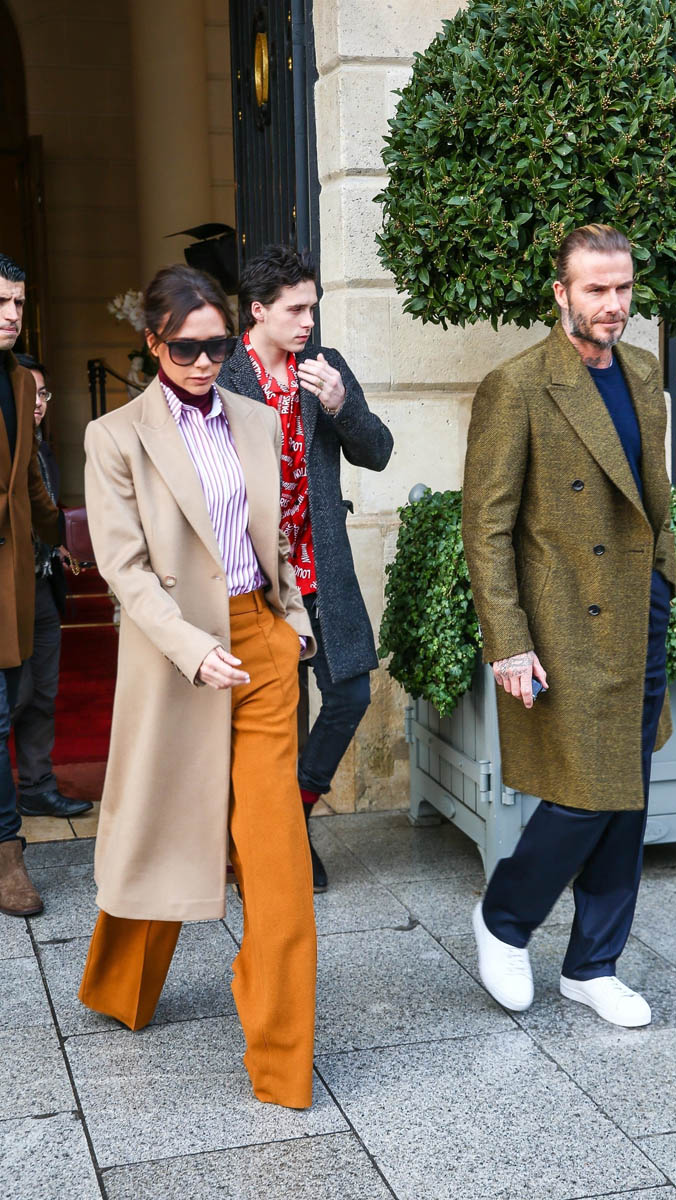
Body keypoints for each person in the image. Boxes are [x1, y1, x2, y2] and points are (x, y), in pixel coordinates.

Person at [77, 264, 318, 1108]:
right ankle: (118, 986)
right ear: (154, 344)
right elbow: (125, 569)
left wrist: (291, 622)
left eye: (216, 346)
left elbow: (275, 531)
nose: (205, 362)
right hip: (175, 652)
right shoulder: (115, 436)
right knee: (167, 825)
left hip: (259, 647)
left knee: (277, 858)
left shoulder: (257, 419)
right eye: (186, 348)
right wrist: (191, 647)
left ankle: (284, 1065)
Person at [462, 224, 676, 1027]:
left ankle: (593, 965)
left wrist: (664, 576)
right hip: (566, 620)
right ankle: (503, 919)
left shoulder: (644, 371)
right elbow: (486, 527)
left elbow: (650, 494)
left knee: (627, 794)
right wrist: (509, 641)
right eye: (596, 288)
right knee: (586, 793)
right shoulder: (517, 385)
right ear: (561, 293)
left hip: (640, 606)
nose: (613, 303)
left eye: (623, 287)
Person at [217, 245, 393, 891]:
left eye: (312, 307)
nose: (308, 321)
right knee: (268, 715)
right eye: (295, 309)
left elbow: (377, 452)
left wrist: (343, 404)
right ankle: (262, 841)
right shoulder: (224, 376)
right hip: (254, 578)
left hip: (321, 569)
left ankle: (295, 810)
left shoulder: (326, 368)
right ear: (258, 311)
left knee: (349, 693)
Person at [0, 253, 63, 917]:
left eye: (18, 302)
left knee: (10, 704)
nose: (12, 314)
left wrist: (67, 533)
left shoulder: (20, 381)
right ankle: (7, 850)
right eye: (0, 302)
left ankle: (5, 849)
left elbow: (31, 483)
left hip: (13, 574)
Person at [12, 354, 91, 821]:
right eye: (29, 393)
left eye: (43, 393)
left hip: (42, 587)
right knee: (15, 695)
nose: (38, 403)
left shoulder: (43, 451)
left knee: (43, 693)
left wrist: (57, 546)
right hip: (8, 593)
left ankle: (37, 786)